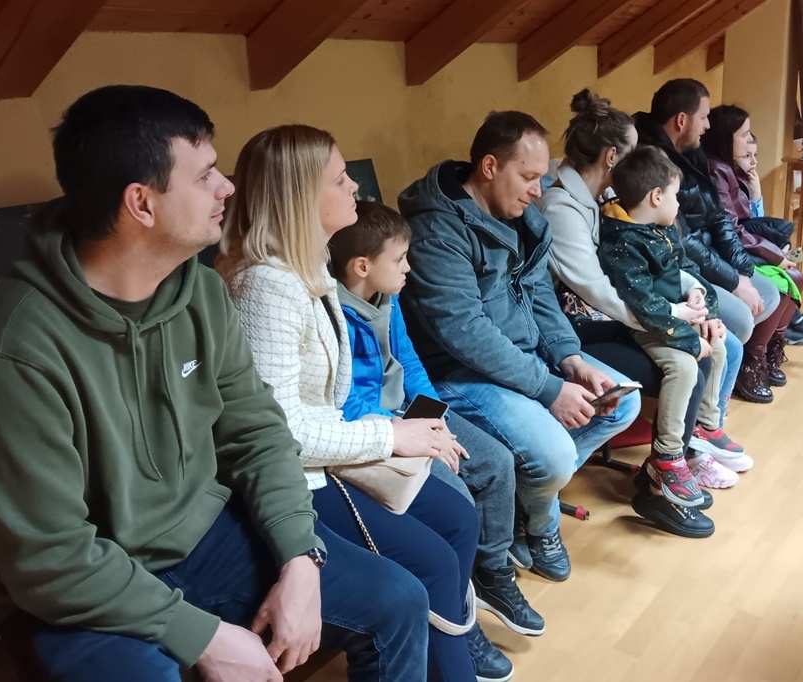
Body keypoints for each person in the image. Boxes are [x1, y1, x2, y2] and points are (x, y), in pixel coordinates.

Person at [0, 85, 430, 682]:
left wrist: (301, 556)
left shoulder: (199, 291)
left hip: (203, 534)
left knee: (398, 600)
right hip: (74, 585)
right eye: (204, 176)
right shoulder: (10, 348)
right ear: (141, 203)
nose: (226, 187)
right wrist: (204, 637)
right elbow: (50, 557)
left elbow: (258, 433)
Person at [216, 125, 504, 682]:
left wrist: (403, 424)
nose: (355, 187)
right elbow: (280, 433)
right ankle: (450, 656)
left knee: (458, 517)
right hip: (296, 482)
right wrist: (392, 435)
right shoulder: (265, 288)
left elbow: (338, 397)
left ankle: (453, 638)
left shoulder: (310, 269)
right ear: (301, 196)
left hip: (332, 458)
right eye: (340, 179)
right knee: (431, 561)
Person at [397, 111, 642, 582]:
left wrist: (570, 358)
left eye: (541, 177)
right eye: (528, 177)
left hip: (524, 359)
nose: (537, 189)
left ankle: (524, 502)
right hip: (459, 372)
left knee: (620, 404)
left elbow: (541, 296)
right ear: (490, 167)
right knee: (553, 456)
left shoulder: (524, 218)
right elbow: (464, 332)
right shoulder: (436, 232)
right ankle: (541, 522)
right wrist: (550, 389)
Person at [328, 200, 546, 647]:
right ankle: (457, 611)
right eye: (400, 259)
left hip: (410, 415)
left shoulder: (388, 297)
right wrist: (411, 434)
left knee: (496, 463)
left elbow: (409, 361)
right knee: (456, 495)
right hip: (376, 429)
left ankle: (492, 573)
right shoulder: (332, 315)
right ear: (363, 266)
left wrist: (435, 417)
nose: (408, 267)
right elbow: (349, 403)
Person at [537, 89, 748, 502]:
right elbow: (599, 292)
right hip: (577, 327)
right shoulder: (561, 209)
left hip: (622, 314)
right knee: (689, 362)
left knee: (720, 345)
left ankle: (691, 448)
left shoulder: (604, 197)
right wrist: (673, 320)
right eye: (633, 153)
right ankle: (668, 466)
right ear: (611, 157)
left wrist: (695, 305)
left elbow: (662, 262)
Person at [599, 145, 750, 537]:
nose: (679, 203)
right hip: (648, 327)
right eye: (676, 195)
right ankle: (667, 456)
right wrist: (689, 336)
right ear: (655, 197)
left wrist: (702, 301)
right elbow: (642, 305)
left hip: (676, 318)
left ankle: (705, 428)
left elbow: (684, 269)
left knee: (720, 345)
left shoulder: (662, 229)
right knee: (684, 367)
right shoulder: (622, 242)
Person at [633, 79, 786, 403]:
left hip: (708, 256)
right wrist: (733, 282)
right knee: (742, 318)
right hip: (681, 265)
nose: (708, 125)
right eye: (703, 117)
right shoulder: (652, 160)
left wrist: (742, 270)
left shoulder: (693, 152)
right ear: (682, 120)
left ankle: (728, 378)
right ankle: (711, 395)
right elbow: (683, 241)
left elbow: (718, 216)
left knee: (770, 293)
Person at [730, 132, 803, 348]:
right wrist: (773, 253)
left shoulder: (745, 183)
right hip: (740, 251)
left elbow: (757, 222)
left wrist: (756, 196)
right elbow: (739, 230)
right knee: (787, 265)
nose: (754, 161)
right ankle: (793, 321)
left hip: (752, 245)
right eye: (747, 156)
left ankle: (788, 322)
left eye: (755, 155)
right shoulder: (726, 185)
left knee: (796, 255)